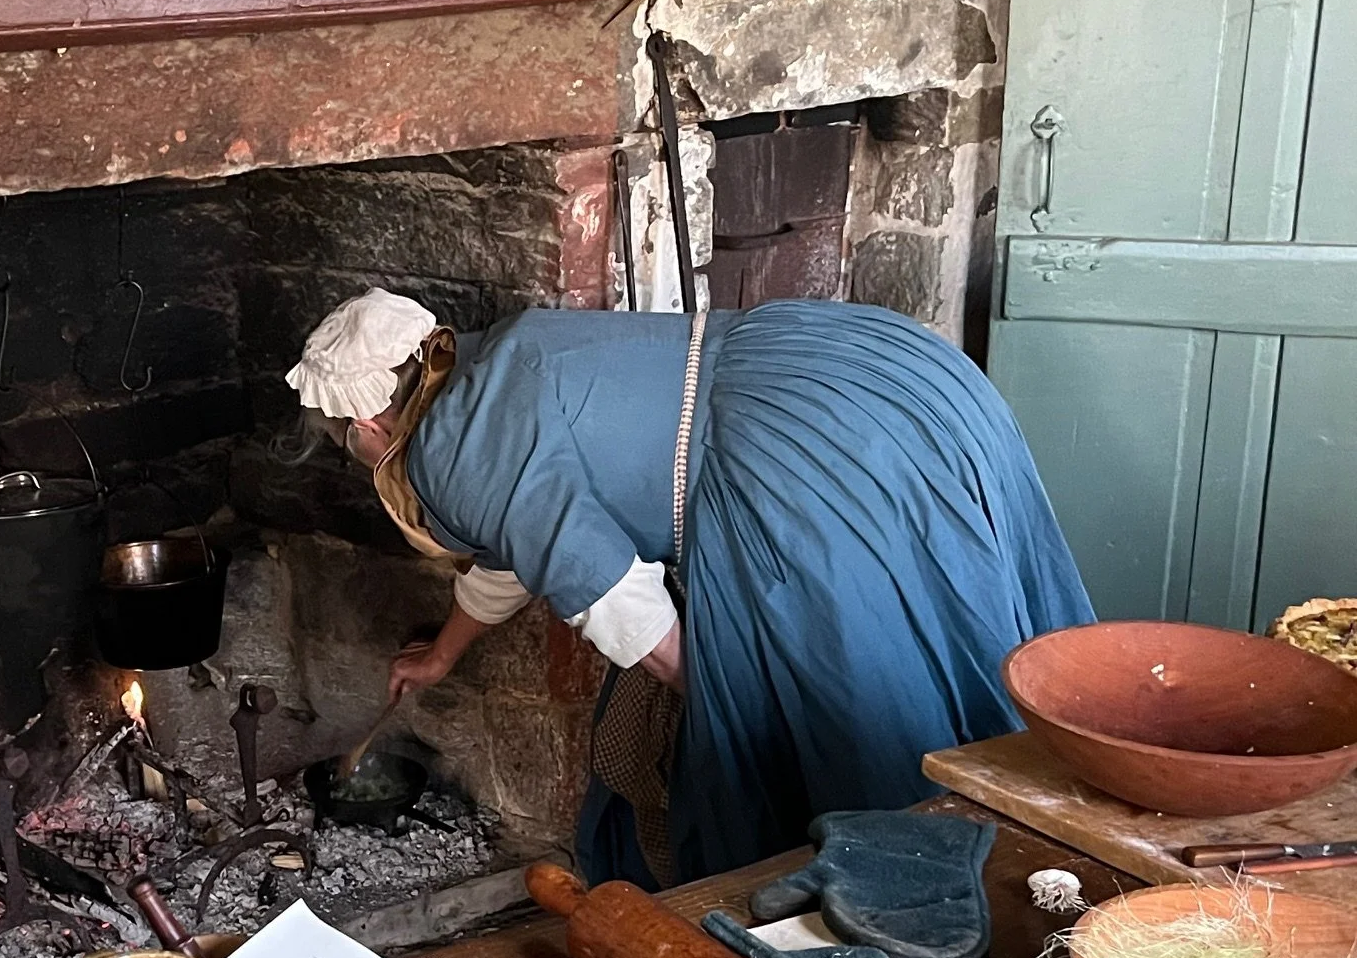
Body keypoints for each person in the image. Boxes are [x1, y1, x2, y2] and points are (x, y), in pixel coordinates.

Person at [283, 289, 1094, 888]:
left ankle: (918, 902)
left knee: (844, 734)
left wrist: (729, 706)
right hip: (872, 373)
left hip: (796, 462)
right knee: (958, 634)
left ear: (366, 428)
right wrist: (443, 654)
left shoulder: (447, 456)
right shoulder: (501, 357)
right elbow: (518, 540)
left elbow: (611, 595)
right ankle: (1052, 850)